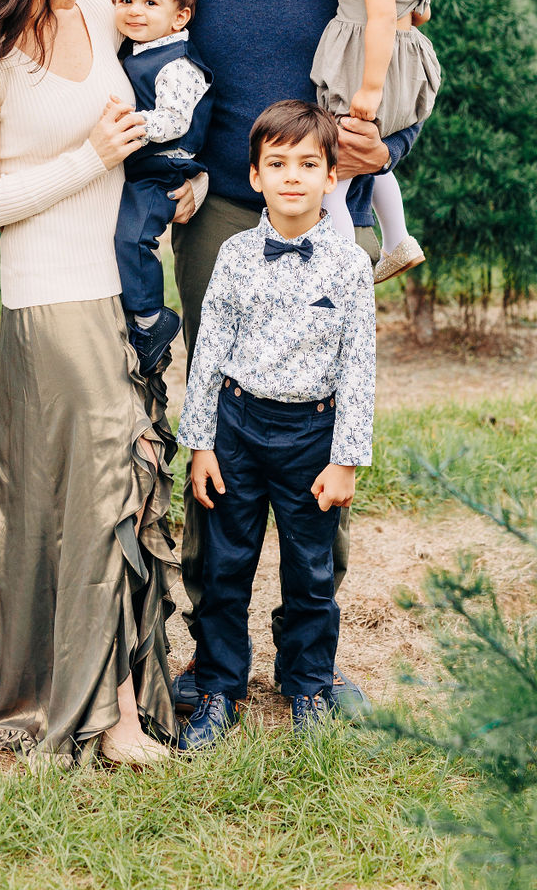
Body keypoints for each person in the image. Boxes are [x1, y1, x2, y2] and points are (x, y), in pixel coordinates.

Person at [165, 0, 422, 717]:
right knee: (223, 409)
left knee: (323, 401)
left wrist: (387, 152)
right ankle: (212, 658)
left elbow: (398, 75)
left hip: (335, 207)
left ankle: (313, 661)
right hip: (224, 215)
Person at [0, 0, 190, 768]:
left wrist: (182, 175)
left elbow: (179, 55)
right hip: (49, 292)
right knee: (112, 486)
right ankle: (108, 715)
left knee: (118, 476)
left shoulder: (102, 16)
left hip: (127, 281)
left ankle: (123, 686)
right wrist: (89, 158)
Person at [176, 101, 376, 750]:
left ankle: (308, 682)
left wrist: (344, 458)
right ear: (256, 177)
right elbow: (207, 354)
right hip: (237, 428)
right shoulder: (235, 255)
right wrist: (201, 444)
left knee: (311, 571)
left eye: (308, 164)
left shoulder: (347, 264)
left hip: (311, 437)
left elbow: (359, 365)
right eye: (278, 164)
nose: (293, 177)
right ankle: (218, 688)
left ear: (331, 176)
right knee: (227, 565)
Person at [306, 0, 440, 282]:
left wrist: (369, 88)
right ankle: (398, 240)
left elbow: (382, 20)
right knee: (371, 160)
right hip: (402, 69)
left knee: (332, 187)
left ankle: (343, 273)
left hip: (369, 71)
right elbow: (418, 13)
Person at [111, 0, 213, 373]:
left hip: (163, 169)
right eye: (125, 0)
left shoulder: (177, 65)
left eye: (150, 3)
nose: (135, 11)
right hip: (139, 165)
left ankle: (152, 320)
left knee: (132, 239)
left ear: (180, 18)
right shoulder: (133, 51)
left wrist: (127, 123)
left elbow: (173, 120)